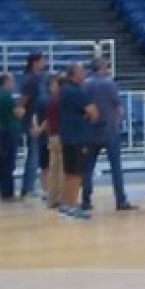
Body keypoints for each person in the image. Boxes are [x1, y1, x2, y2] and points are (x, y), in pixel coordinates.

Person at [82, 58, 135, 211]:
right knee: (116, 167)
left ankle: (85, 200)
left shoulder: (85, 84)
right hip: (109, 128)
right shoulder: (109, 84)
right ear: (102, 67)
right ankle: (120, 200)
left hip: (91, 129)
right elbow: (118, 107)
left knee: (88, 167)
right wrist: (117, 122)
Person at [57, 62, 99, 220]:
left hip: (66, 136)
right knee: (77, 174)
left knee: (69, 173)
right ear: (74, 74)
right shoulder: (77, 92)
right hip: (78, 137)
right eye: (82, 72)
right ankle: (73, 206)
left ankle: (65, 205)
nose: (84, 75)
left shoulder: (63, 90)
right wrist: (87, 116)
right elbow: (94, 113)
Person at [17, 52, 47, 199]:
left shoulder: (38, 78)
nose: (44, 62)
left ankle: (30, 187)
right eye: (42, 60)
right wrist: (28, 120)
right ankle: (28, 188)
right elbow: (23, 101)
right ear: (35, 62)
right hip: (33, 121)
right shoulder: (31, 79)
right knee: (33, 155)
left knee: (36, 154)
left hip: (38, 120)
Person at [0, 72, 22, 201]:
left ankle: (5, 191)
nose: (13, 83)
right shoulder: (7, 96)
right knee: (9, 163)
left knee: (5, 162)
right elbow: (18, 113)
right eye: (11, 80)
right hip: (9, 131)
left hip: (2, 130)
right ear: (6, 81)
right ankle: (7, 193)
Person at [42, 73, 63, 208]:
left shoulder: (50, 99)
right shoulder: (60, 99)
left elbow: (48, 121)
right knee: (62, 169)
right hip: (61, 136)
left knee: (54, 169)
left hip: (52, 136)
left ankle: (52, 198)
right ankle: (61, 198)